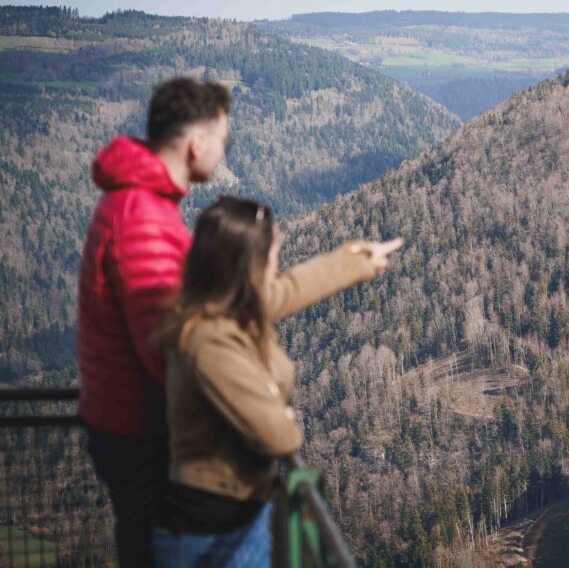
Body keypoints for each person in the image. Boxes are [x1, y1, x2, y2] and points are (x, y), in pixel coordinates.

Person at [152, 196, 402, 566]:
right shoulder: (211, 342)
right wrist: (280, 415)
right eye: (273, 254)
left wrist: (358, 260)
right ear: (250, 264)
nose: (277, 263)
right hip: (209, 535)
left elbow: (294, 287)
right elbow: (278, 437)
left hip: (237, 515)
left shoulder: (223, 309)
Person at [76, 77, 231, 567]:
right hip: (143, 431)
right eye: (222, 140)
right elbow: (166, 347)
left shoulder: (134, 203)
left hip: (125, 422)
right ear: (196, 143)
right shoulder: (142, 217)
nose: (223, 152)